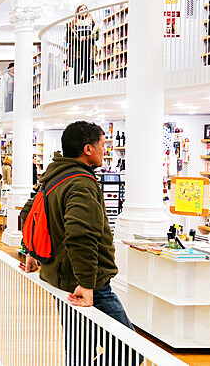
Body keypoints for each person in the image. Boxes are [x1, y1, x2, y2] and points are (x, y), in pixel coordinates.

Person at [23, 121, 132, 333]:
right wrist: (86, 283)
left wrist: (31, 251)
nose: (104, 150)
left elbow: (29, 213)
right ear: (87, 149)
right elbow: (80, 236)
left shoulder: (54, 176)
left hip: (61, 276)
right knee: (128, 353)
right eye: (102, 144)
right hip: (86, 282)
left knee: (78, 350)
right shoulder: (81, 183)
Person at [67, 5, 98, 84]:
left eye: (85, 9)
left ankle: (86, 88)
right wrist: (78, 38)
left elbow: (97, 36)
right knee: (77, 71)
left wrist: (87, 37)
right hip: (77, 52)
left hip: (89, 51)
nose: (83, 10)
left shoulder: (93, 23)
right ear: (78, 12)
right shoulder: (72, 24)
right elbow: (68, 38)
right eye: (81, 9)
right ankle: (77, 89)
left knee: (87, 70)